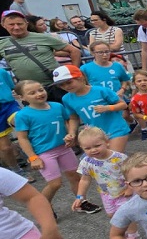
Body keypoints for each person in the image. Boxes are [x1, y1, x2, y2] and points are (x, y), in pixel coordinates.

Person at [13, 80, 100, 216]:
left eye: (41, 89)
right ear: (22, 97)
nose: (39, 94)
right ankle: (43, 207)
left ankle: (81, 202)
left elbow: (69, 120)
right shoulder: (23, 115)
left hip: (64, 148)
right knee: (55, 183)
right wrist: (33, 157)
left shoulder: (57, 106)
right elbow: (22, 138)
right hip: (44, 152)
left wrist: (71, 134)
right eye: (32, 93)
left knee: (75, 177)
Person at [71, 126, 140, 239]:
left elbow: (132, 173)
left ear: (107, 142)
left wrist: (130, 187)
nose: (93, 150)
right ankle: (122, 233)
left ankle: (133, 235)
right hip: (107, 194)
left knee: (126, 214)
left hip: (124, 191)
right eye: (87, 148)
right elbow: (85, 180)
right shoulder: (86, 161)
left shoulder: (119, 158)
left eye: (97, 146)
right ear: (82, 148)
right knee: (112, 215)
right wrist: (80, 197)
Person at [53, 65, 130, 153]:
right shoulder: (66, 98)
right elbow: (73, 118)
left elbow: (123, 105)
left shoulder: (100, 90)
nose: (66, 86)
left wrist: (107, 107)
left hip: (116, 129)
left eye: (69, 82)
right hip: (95, 134)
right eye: (61, 85)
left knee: (113, 158)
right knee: (103, 161)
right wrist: (72, 133)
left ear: (80, 78)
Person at [0, 12, 80, 98]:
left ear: (26, 24)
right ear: (3, 25)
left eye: (20, 24)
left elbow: (74, 51)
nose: (16, 27)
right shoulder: (2, 44)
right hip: (29, 90)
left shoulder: (43, 37)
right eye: (11, 24)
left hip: (54, 85)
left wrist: (73, 72)